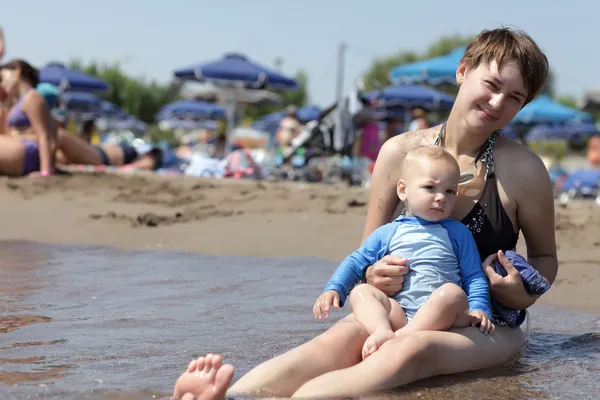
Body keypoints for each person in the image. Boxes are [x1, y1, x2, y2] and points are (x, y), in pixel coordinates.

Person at [173, 27, 557, 400]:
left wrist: (519, 293)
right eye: (491, 85)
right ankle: (233, 395)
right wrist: (375, 274)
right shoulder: (398, 153)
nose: (496, 103)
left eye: (514, 98)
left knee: (411, 351)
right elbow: (368, 255)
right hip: (398, 308)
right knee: (339, 338)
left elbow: (545, 258)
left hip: (484, 322)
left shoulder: (524, 171)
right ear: (463, 71)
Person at [313, 145, 494, 361]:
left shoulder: (457, 232)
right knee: (361, 293)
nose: (441, 198)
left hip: (444, 316)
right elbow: (356, 261)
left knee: (451, 293)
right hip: (399, 312)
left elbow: (473, 276)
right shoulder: (388, 232)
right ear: (403, 190)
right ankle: (382, 330)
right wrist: (334, 288)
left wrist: (480, 308)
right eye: (430, 187)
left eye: (449, 191)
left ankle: (403, 337)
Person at [0, 59, 57, 176]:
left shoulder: (32, 97)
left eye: (2, 78)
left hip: (28, 153)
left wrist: (45, 172)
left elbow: (43, 135)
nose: (2, 84)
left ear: (17, 72)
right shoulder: (18, 101)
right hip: (21, 150)